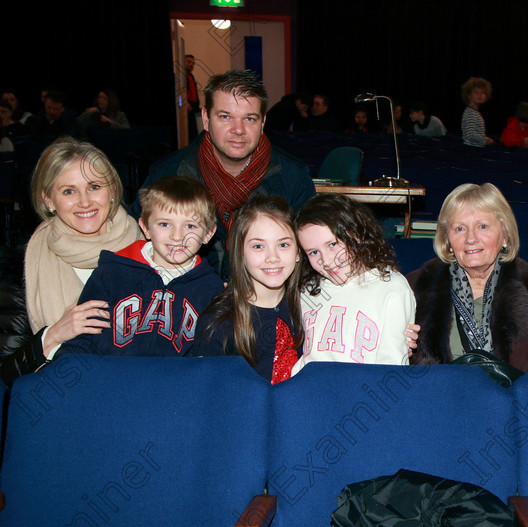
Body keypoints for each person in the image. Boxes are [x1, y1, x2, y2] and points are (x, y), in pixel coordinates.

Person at [137, 69, 316, 279]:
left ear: (263, 123)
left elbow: (309, 252)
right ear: (205, 118)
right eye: (225, 116)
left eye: (249, 119)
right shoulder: (167, 174)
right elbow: (140, 245)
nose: (238, 129)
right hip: (187, 300)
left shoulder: (293, 176)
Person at [0, 137, 143, 386]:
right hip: (63, 406)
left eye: (95, 186)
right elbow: (5, 376)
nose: (85, 202)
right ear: (48, 200)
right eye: (69, 191)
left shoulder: (152, 250)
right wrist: (53, 334)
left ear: (112, 191)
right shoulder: (19, 266)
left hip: (139, 396)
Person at [407, 183, 528, 371]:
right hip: (440, 396)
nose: (470, 238)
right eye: (459, 229)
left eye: (483, 226)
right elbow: (393, 367)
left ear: (505, 235)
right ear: (447, 240)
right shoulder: (416, 286)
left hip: (514, 396)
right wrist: (400, 350)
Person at [58, 176, 223, 357]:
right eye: (165, 224)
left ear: (208, 233)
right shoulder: (112, 273)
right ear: (145, 227)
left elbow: (211, 352)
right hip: (110, 379)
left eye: (190, 226)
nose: (177, 236)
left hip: (173, 383)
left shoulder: (210, 288)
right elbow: (83, 336)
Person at [293, 193, 416, 374]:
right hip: (308, 395)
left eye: (332, 244)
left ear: (356, 234)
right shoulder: (308, 290)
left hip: (360, 396)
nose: (326, 261)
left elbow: (392, 368)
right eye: (313, 252)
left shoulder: (392, 288)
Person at [192, 195, 302, 384]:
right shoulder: (218, 322)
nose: (272, 257)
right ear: (240, 253)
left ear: (299, 252)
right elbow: (206, 393)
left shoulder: (311, 310)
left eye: (283, 245)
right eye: (258, 246)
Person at [460, 77, 494, 147]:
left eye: (483, 93)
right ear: (469, 95)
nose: (480, 95)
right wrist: (485, 140)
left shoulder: (474, 112)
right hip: (472, 149)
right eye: (476, 92)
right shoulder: (471, 113)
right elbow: (470, 134)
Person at [184, 54, 201, 142]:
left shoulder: (191, 76)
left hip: (193, 106)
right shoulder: (181, 76)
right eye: (189, 62)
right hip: (186, 107)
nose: (191, 64)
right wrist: (185, 102)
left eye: (193, 63)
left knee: (194, 131)